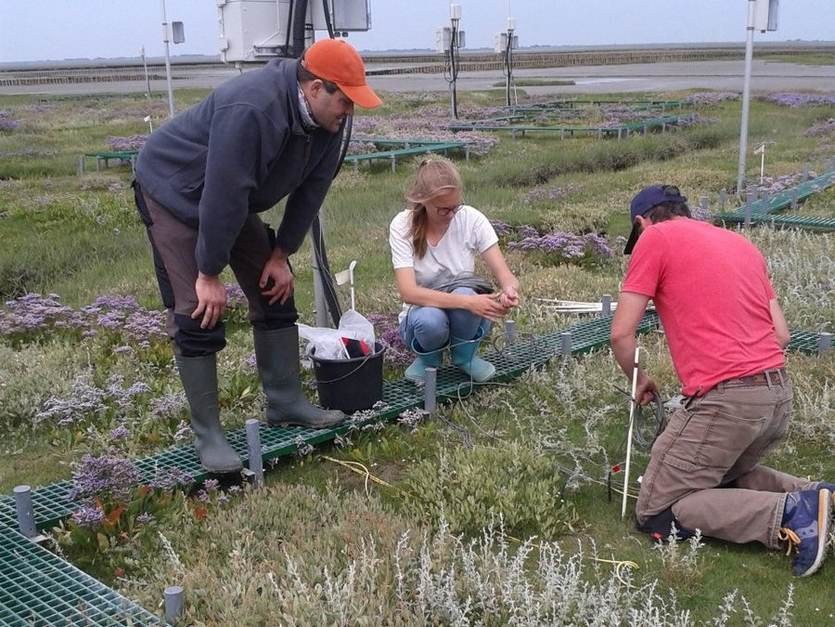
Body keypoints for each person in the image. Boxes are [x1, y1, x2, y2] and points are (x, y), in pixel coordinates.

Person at [132, 39, 382, 474]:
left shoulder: (329, 124)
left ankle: (284, 401)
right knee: (197, 310)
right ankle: (208, 434)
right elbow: (224, 195)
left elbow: (311, 191)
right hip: (174, 191)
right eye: (344, 100)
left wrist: (281, 253)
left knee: (275, 287)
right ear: (315, 88)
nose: (349, 112)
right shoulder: (251, 108)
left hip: (229, 200)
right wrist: (208, 272)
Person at [610, 184, 833, 577]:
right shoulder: (739, 243)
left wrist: (638, 378)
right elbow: (780, 335)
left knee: (658, 509)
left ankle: (791, 516)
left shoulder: (655, 238)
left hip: (727, 400)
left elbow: (620, 334)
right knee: (724, 475)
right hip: (777, 395)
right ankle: (816, 494)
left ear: (641, 222)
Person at [388, 158, 519, 384]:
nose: (451, 214)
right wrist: (468, 303)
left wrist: (509, 291)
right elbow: (409, 293)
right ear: (424, 202)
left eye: (455, 207)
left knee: (467, 294)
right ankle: (428, 359)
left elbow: (506, 275)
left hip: (465, 313)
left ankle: (464, 357)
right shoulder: (402, 225)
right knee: (432, 319)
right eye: (443, 210)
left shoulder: (471, 219)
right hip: (421, 315)